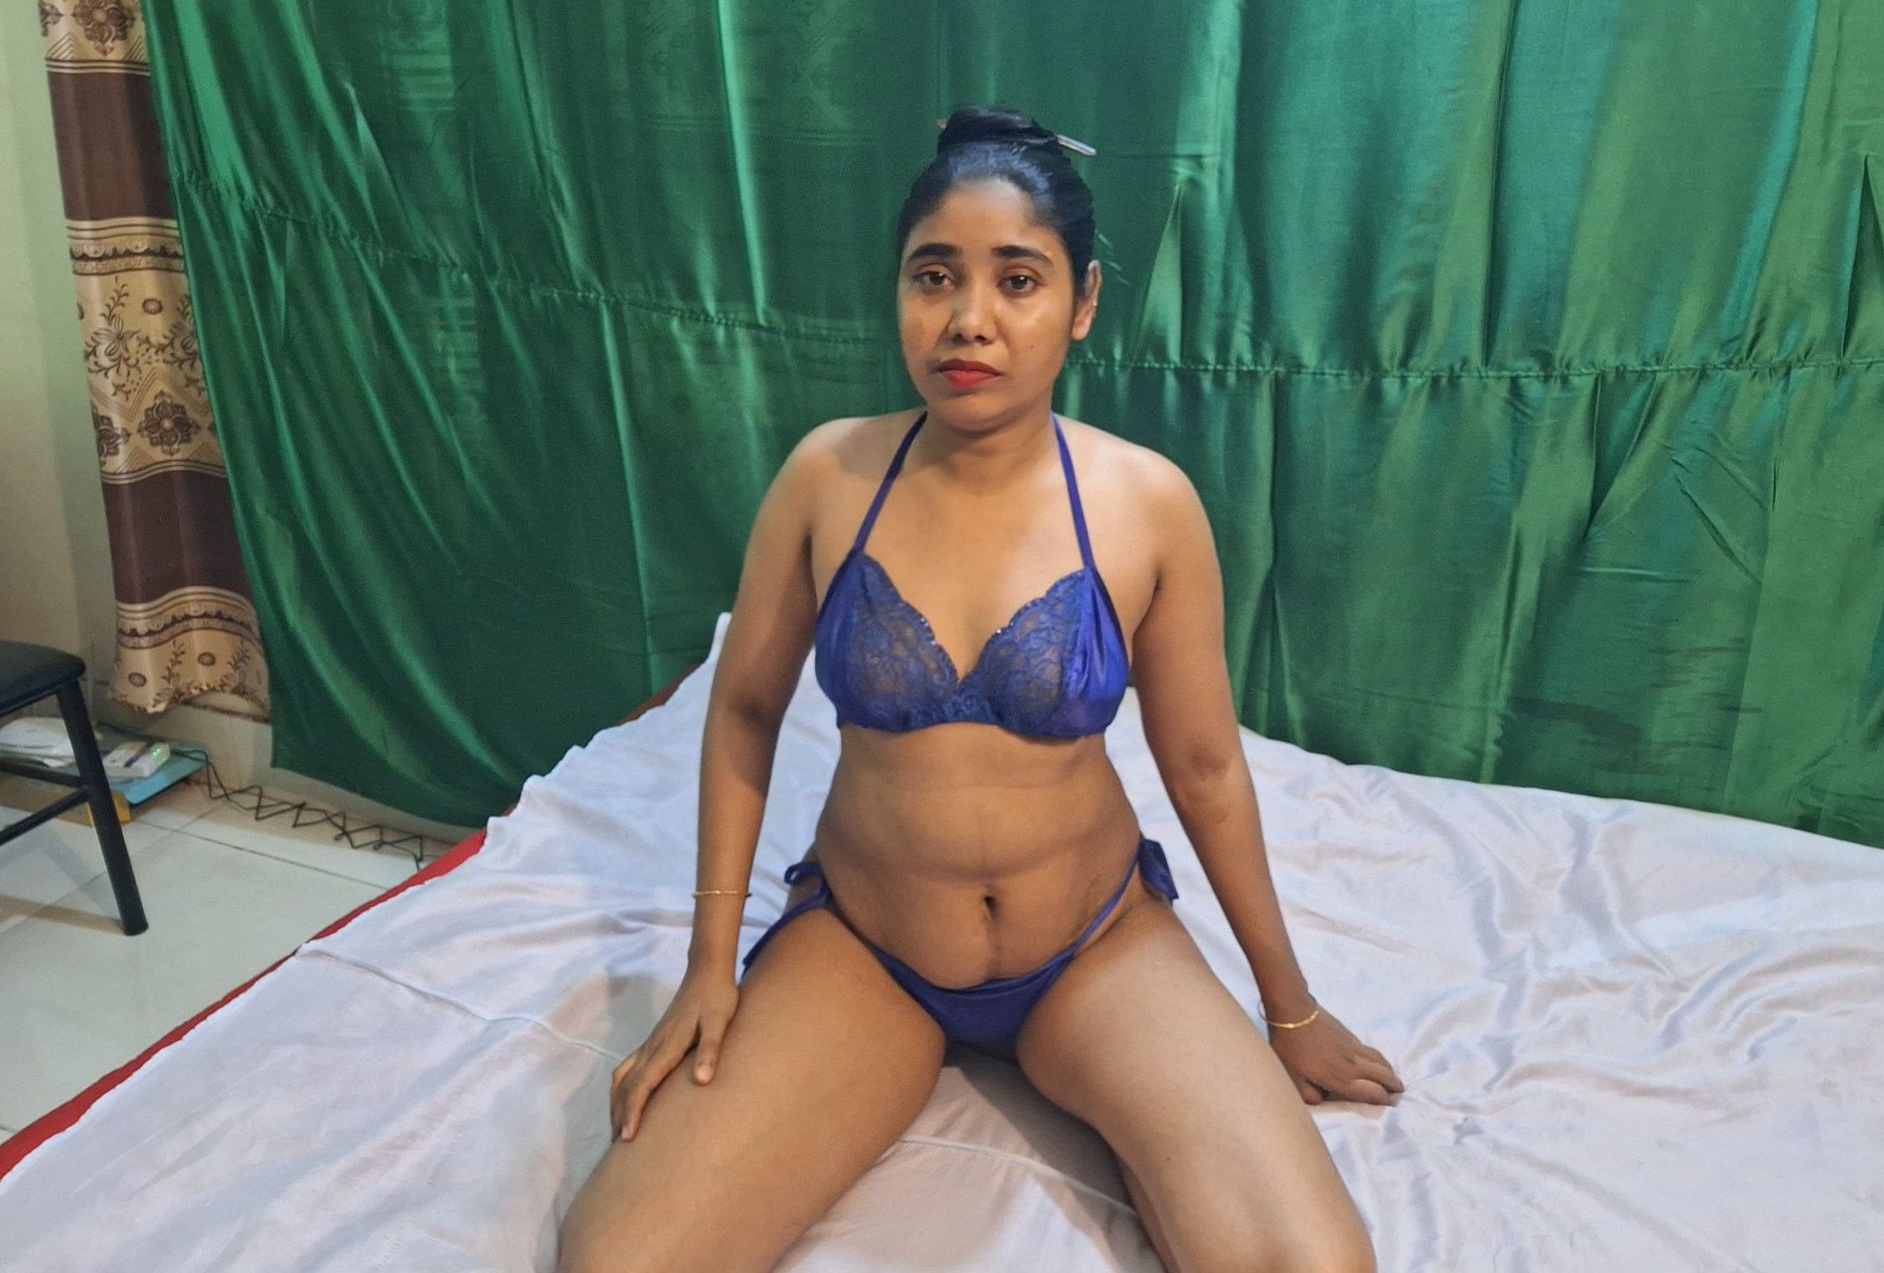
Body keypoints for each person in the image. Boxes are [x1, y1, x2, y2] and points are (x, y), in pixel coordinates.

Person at [558, 106, 1402, 1273]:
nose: (969, 318)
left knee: (1317, 1266)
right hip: (866, 950)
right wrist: (710, 963)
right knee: (617, 1260)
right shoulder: (826, 476)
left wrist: (1290, 1008)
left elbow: (1207, 768)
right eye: (934, 275)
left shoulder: (1147, 504)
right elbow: (743, 709)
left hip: (1095, 948)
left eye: (1017, 278)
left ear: (1082, 301)